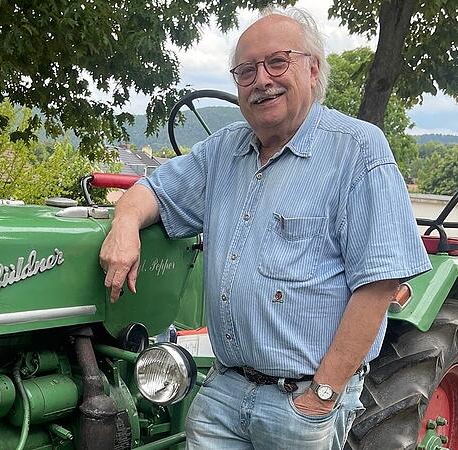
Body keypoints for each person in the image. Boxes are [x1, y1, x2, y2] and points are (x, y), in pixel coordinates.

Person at [99, 7, 431, 450]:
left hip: (301, 399)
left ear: (312, 69)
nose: (261, 80)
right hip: (223, 391)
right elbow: (153, 190)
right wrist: (124, 221)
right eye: (246, 71)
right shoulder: (223, 150)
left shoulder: (358, 150)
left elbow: (378, 285)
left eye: (277, 62)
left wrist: (322, 395)